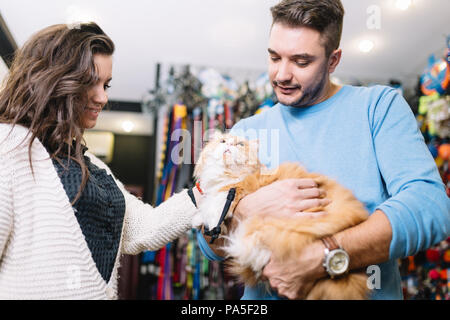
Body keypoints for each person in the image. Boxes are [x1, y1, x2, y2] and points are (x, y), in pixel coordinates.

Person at [197, 0, 450, 300]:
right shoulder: (245, 134)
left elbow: (430, 206)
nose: (281, 75)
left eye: (301, 61)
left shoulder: (378, 108)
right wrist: (245, 210)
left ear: (333, 60)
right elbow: (207, 245)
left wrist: (323, 257)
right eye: (274, 57)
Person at [0, 22, 202, 299]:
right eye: (90, 82)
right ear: (53, 78)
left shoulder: (92, 165)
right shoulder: (9, 145)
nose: (103, 97)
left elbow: (143, 228)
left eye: (105, 84)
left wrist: (211, 192)